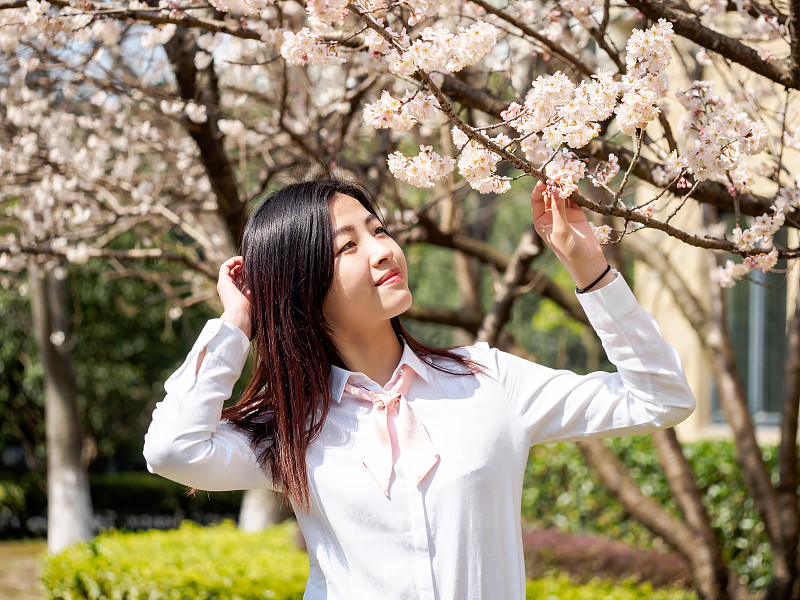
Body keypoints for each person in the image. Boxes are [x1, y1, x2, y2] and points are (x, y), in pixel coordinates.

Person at [143, 178, 695, 599]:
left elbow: (661, 399)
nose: (383, 250)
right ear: (302, 285)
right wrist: (236, 322)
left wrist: (592, 272)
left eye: (378, 230)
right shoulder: (292, 428)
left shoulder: (487, 379)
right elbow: (173, 449)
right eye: (347, 247)